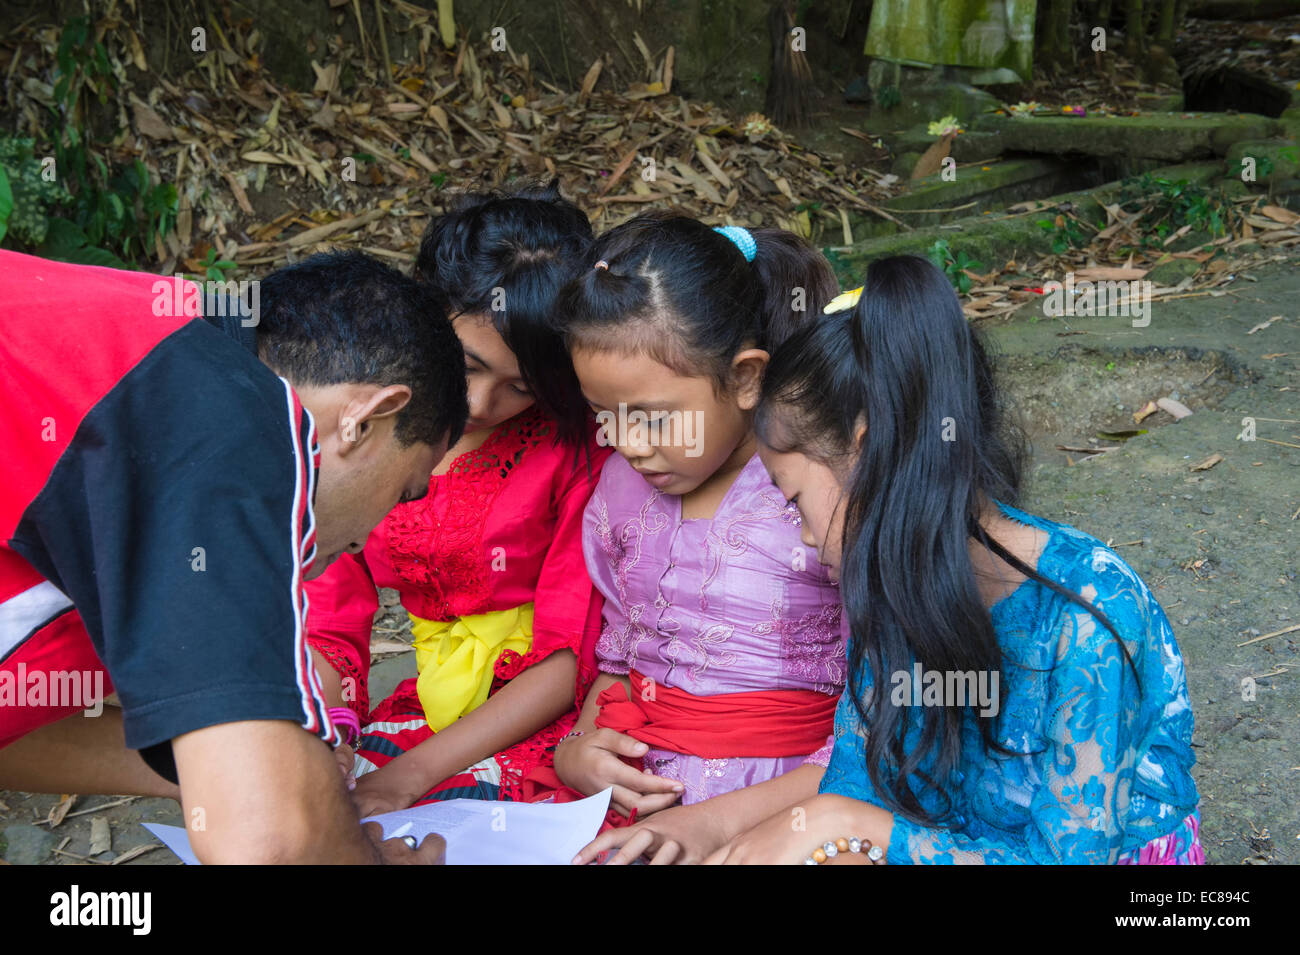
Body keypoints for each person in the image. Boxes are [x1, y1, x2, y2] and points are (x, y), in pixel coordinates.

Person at [707, 255, 1202, 864]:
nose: (803, 537)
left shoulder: (1088, 616)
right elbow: (858, 780)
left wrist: (849, 825)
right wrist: (835, 836)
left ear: (866, 453)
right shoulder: (892, 589)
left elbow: (1066, 859)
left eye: (796, 501)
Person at [0, 248, 465, 863]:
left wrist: (233, 769)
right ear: (367, 418)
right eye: (404, 489)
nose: (362, 540)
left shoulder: (148, 360)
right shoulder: (231, 421)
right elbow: (268, 845)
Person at [304, 180, 613, 815]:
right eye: (467, 365)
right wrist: (326, 727)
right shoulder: (366, 423)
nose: (478, 405)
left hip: (534, 717)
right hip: (431, 704)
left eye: (521, 387)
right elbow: (330, 617)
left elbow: (565, 655)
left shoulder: (575, 453)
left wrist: (410, 776)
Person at [550, 214, 847, 864]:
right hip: (644, 801)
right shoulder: (621, 491)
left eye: (653, 418)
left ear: (744, 377)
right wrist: (582, 743)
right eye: (604, 415)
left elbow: (876, 724)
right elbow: (624, 654)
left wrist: (713, 825)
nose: (627, 444)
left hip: (785, 804)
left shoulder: (814, 499)